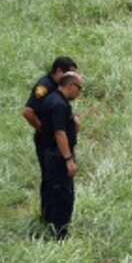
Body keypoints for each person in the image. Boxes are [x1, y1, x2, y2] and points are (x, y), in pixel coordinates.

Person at [22, 56, 78, 218]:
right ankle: (53, 218)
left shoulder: (58, 90)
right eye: (69, 74)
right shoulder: (45, 87)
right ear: (59, 71)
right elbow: (28, 112)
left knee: (52, 180)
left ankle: (48, 216)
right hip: (49, 143)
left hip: (54, 141)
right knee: (54, 181)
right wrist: (44, 130)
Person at [37, 71, 84, 239]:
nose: (80, 93)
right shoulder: (59, 105)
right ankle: (60, 233)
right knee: (63, 194)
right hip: (58, 156)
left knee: (51, 189)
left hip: (50, 152)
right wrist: (69, 159)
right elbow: (59, 133)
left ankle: (48, 223)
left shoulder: (52, 99)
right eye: (79, 88)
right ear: (70, 86)